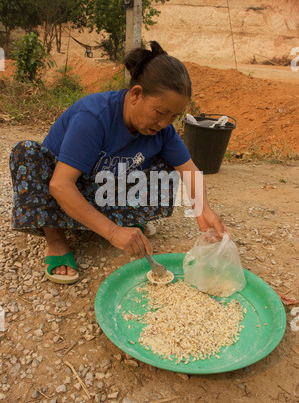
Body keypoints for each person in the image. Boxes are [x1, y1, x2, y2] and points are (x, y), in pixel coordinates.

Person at [9, 41, 227, 285]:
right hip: (65, 195)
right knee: (26, 153)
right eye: (159, 112)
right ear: (136, 94)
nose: (165, 123)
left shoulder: (161, 129)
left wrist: (204, 210)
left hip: (102, 188)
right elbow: (60, 185)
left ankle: (121, 222)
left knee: (168, 166)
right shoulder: (94, 117)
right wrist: (112, 233)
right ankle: (56, 239)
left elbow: (190, 171)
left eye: (173, 117)